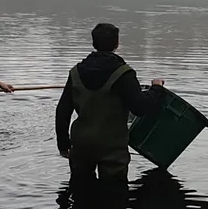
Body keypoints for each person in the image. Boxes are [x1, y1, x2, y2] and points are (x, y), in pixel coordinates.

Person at [55, 22, 165, 186]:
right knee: (114, 196)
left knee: (80, 193)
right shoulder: (124, 73)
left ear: (94, 43)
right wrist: (156, 88)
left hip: (81, 144)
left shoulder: (75, 72)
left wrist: (63, 145)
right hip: (112, 147)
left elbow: (63, 111)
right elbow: (140, 107)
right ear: (116, 43)